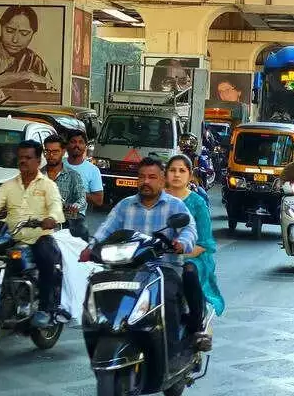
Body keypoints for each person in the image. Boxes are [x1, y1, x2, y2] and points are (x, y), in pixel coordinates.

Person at [80, 157, 210, 351]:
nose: (146, 181)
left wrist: (181, 243)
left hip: (164, 269)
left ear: (162, 180)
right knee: (100, 292)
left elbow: (189, 230)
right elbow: (106, 229)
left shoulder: (175, 206)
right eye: (142, 177)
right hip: (127, 270)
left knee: (167, 298)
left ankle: (172, 351)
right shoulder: (125, 206)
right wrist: (91, 247)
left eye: (152, 177)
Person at [0, 139, 65, 327]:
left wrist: (51, 218)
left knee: (47, 260)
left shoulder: (48, 185)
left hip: (39, 237)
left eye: (28, 157)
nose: (23, 161)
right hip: (12, 237)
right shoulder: (8, 186)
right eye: (20, 157)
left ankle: (46, 308)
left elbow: (55, 206)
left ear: (38, 161)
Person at [165, 154, 225, 318]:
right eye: (172, 170)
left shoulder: (198, 203)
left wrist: (177, 255)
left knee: (189, 272)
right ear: (166, 174)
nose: (177, 175)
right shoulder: (158, 199)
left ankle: (196, 319)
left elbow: (204, 243)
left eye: (182, 171)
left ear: (190, 175)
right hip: (156, 255)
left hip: (192, 257)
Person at [0, 5, 56, 98]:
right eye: (9, 31)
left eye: (24, 34)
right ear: (1, 27)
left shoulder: (33, 60)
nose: (15, 40)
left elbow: (51, 91)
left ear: (32, 34)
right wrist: (26, 76)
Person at [42, 135, 88, 239]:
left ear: (63, 152)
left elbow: (82, 198)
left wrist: (76, 206)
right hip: (41, 221)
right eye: (47, 151)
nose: (51, 155)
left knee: (81, 231)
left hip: (66, 221)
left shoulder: (73, 175)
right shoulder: (37, 176)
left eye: (55, 152)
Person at [65, 130, 104, 208]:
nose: (77, 145)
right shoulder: (58, 164)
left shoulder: (93, 170)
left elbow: (98, 200)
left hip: (79, 214)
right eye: (73, 142)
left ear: (85, 146)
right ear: (67, 145)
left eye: (81, 142)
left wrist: (77, 193)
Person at [179, 133, 211, 205]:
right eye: (184, 142)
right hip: (179, 183)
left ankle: (205, 211)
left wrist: (201, 170)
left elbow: (207, 169)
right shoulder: (177, 157)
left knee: (203, 195)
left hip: (193, 184)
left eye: (189, 142)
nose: (186, 145)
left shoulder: (198, 158)